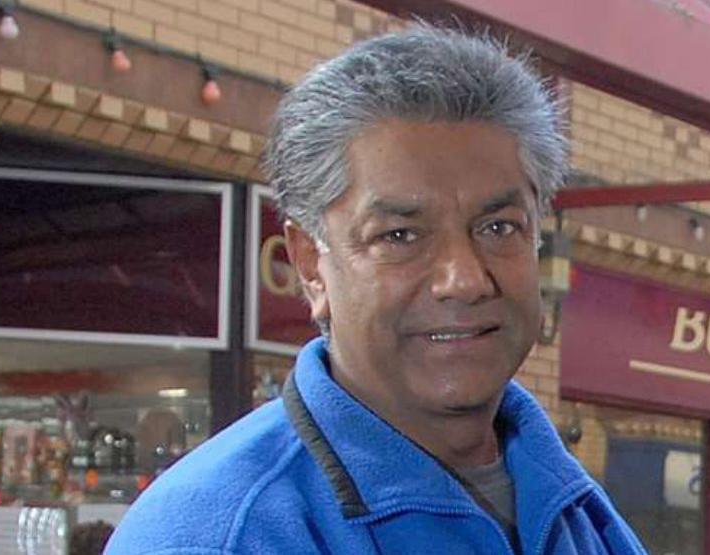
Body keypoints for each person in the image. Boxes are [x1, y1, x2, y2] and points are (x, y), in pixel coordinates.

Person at [106, 24, 645, 554]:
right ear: (310, 263)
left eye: (499, 227)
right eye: (399, 235)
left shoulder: (580, 512)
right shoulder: (214, 534)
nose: (464, 279)